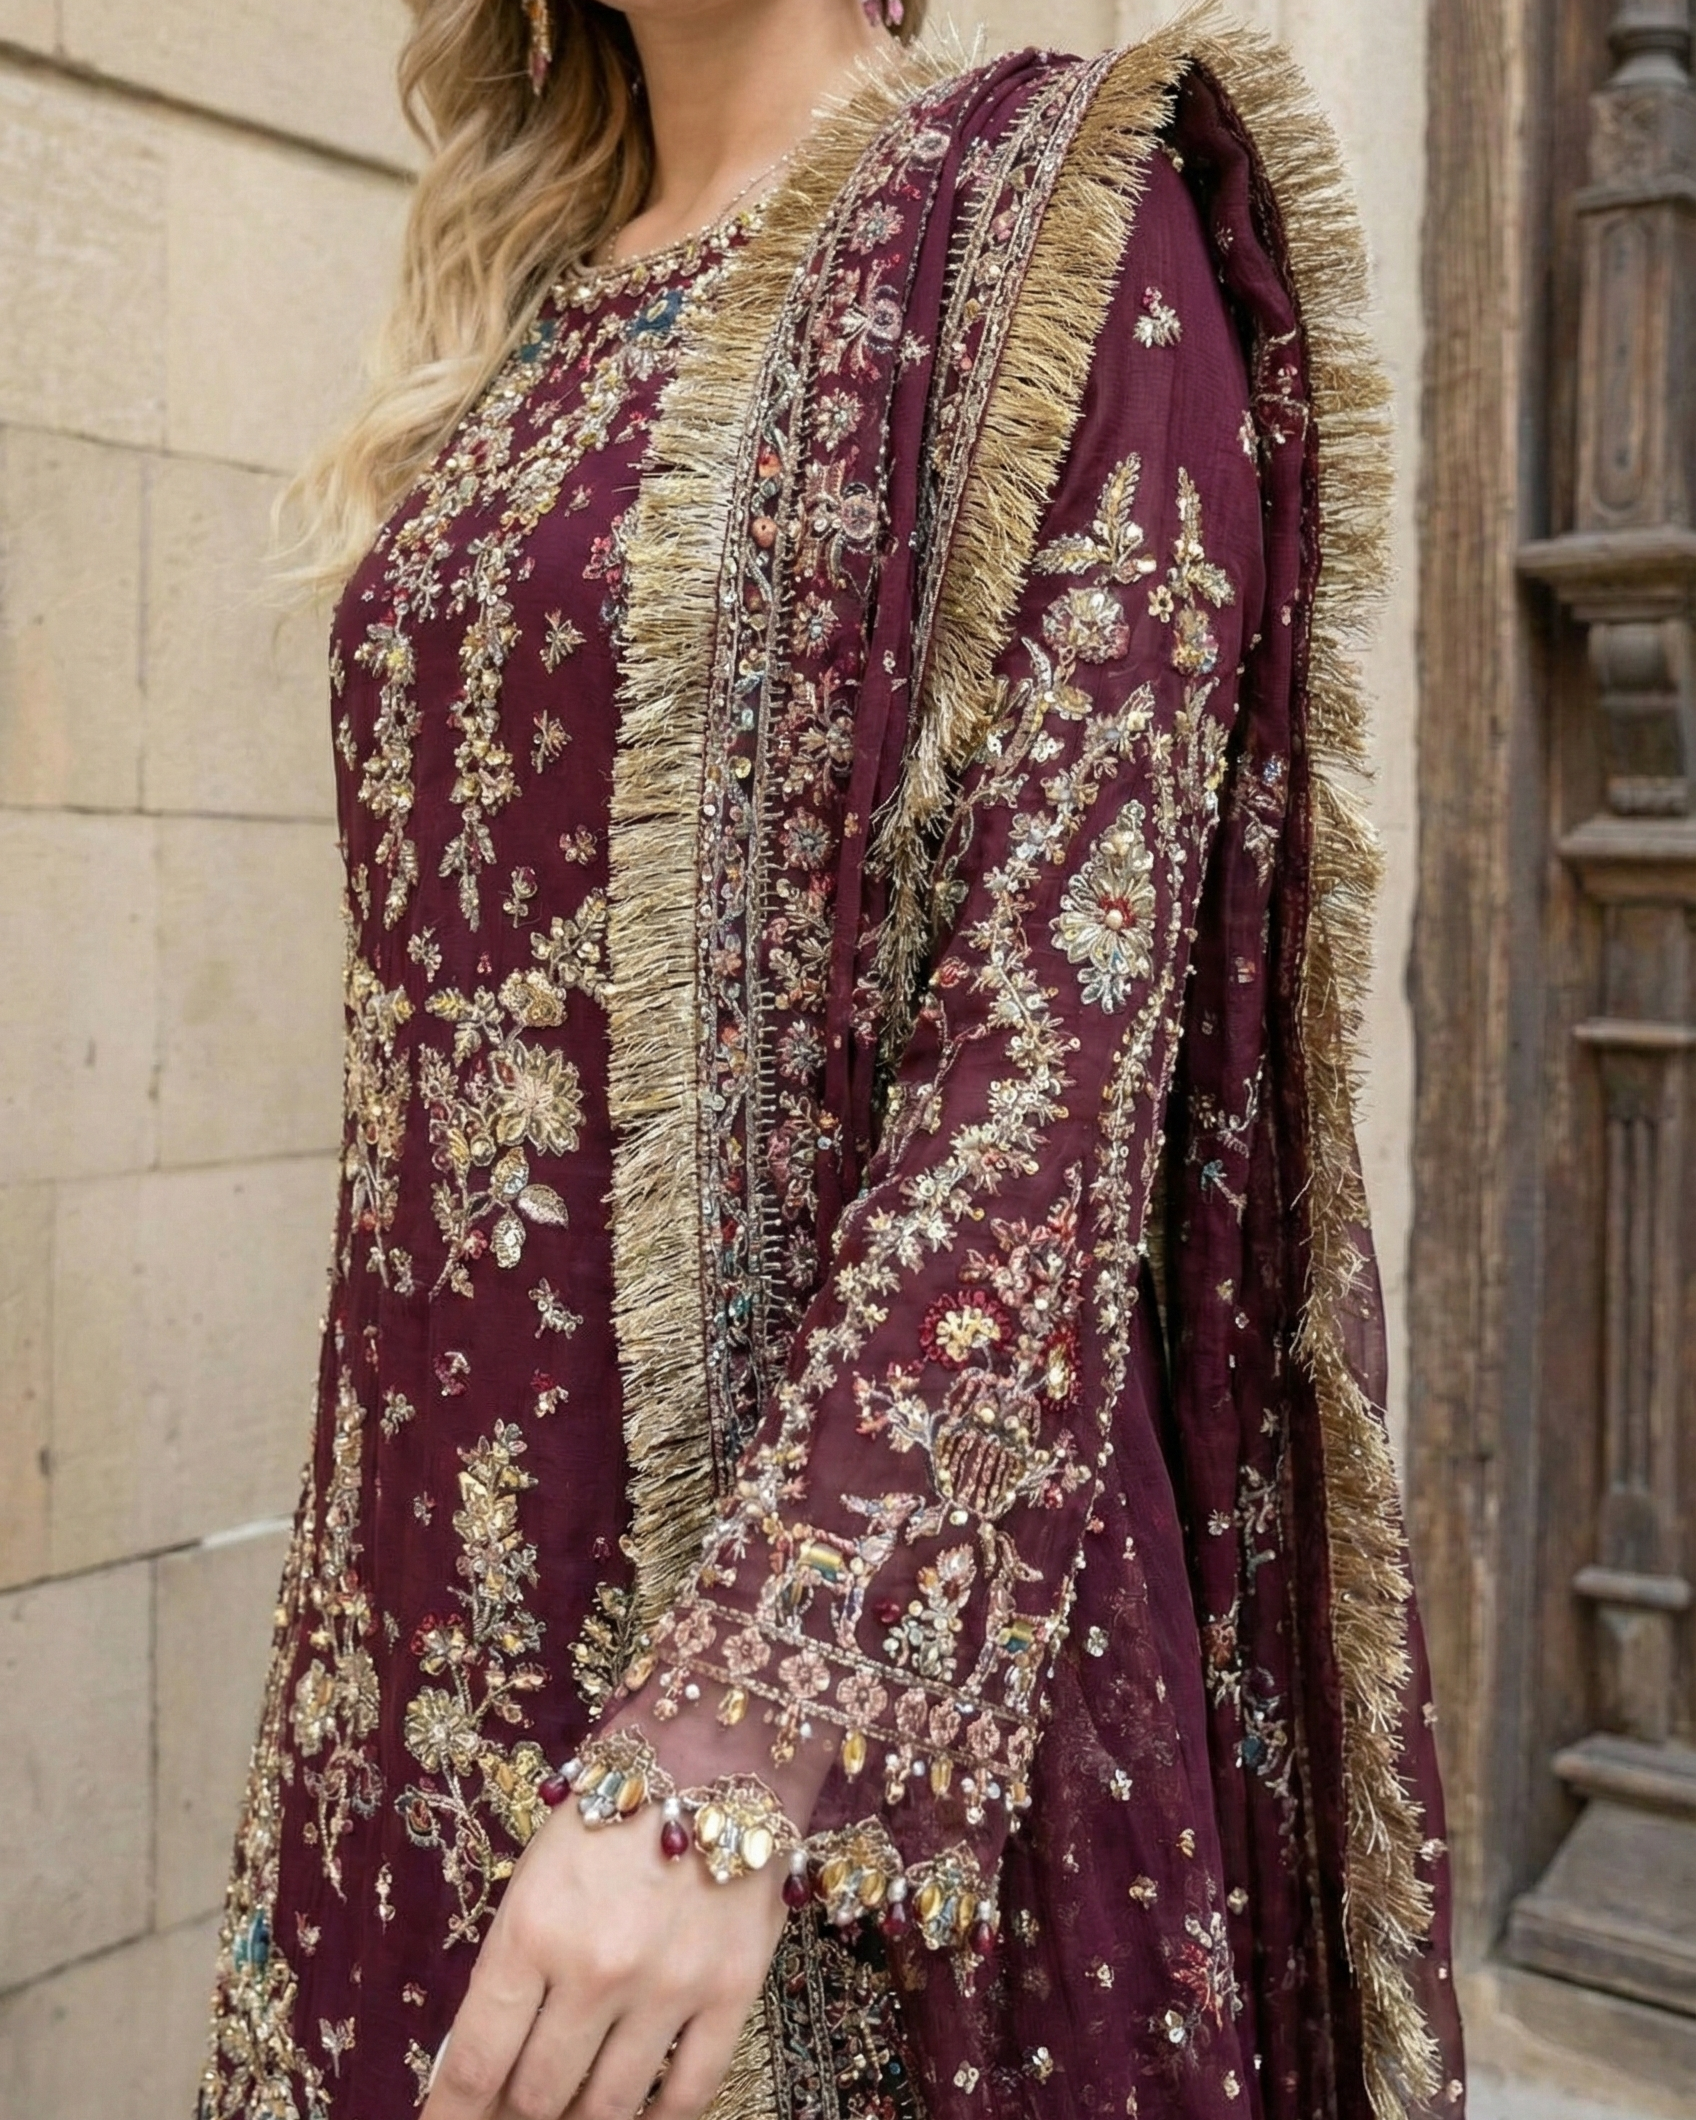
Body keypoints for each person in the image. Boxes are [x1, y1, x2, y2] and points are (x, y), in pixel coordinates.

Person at [200, 2, 1467, 2116]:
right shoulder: (530, 305)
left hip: (835, 1731)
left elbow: (1049, 1069)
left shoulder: (1060, 212)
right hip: (408, 1648)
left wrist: (732, 1752)